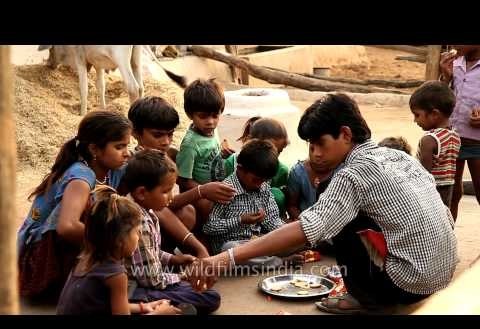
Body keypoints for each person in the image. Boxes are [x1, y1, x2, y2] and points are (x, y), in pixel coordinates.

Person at [189, 94, 458, 314]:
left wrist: (226, 257)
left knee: (333, 212)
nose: (315, 153)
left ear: (345, 134)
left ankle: (363, 297)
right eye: (311, 145)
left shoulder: (353, 174)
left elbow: (307, 227)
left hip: (407, 286)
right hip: (442, 275)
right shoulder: (399, 157)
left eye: (320, 143)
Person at [18, 111, 132, 300]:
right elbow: (67, 227)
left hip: (57, 250)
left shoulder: (112, 168)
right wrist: (114, 242)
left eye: (128, 145)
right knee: (97, 211)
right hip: (39, 260)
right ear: (95, 149)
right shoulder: (81, 175)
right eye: (119, 146)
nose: (127, 152)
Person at [127, 96, 235, 256]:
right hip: (140, 230)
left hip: (164, 219)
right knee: (188, 212)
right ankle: (164, 256)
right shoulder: (136, 165)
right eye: (157, 135)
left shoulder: (169, 155)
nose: (165, 141)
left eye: (170, 135)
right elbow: (160, 208)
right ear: (135, 133)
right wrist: (201, 191)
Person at [123, 149, 221, 314]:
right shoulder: (138, 222)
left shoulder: (145, 209)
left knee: (199, 292)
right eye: (165, 191)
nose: (170, 197)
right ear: (141, 193)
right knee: (209, 297)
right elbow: (151, 279)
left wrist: (175, 259)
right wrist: (184, 276)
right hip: (133, 289)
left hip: (144, 279)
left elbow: (150, 252)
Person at [57, 186, 182, 315]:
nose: (139, 237)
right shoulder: (116, 275)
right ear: (120, 240)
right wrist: (160, 313)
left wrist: (143, 307)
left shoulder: (85, 259)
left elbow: (112, 304)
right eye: (136, 232)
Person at [203, 140, 303, 269]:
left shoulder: (263, 187)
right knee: (230, 248)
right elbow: (209, 227)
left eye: (264, 180)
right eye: (256, 180)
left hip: (257, 243)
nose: (259, 184)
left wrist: (291, 234)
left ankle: (268, 259)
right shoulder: (225, 190)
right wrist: (240, 220)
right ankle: (279, 262)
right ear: (240, 169)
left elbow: (272, 221)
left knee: (297, 236)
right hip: (231, 248)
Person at [176, 79, 230, 222]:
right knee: (210, 212)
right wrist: (205, 191)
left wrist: (222, 153)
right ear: (190, 114)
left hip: (215, 186)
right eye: (203, 116)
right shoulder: (190, 144)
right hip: (198, 194)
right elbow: (183, 180)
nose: (210, 121)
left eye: (215, 115)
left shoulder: (211, 130)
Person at [439, 45, 480, 220]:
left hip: (477, 141)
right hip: (452, 137)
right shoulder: (453, 64)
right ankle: (448, 240)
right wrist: (445, 78)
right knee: (450, 194)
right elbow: (439, 99)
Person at [225, 116, 290, 215]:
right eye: (269, 149)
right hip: (235, 212)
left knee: (277, 195)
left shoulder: (280, 170)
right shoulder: (232, 162)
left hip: (266, 214)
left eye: (278, 152)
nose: (273, 157)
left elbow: (277, 202)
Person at [410, 80, 460, 208]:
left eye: (417, 115)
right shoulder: (454, 135)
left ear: (434, 114)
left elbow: (423, 175)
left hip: (431, 191)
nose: (415, 120)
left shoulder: (429, 140)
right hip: (448, 188)